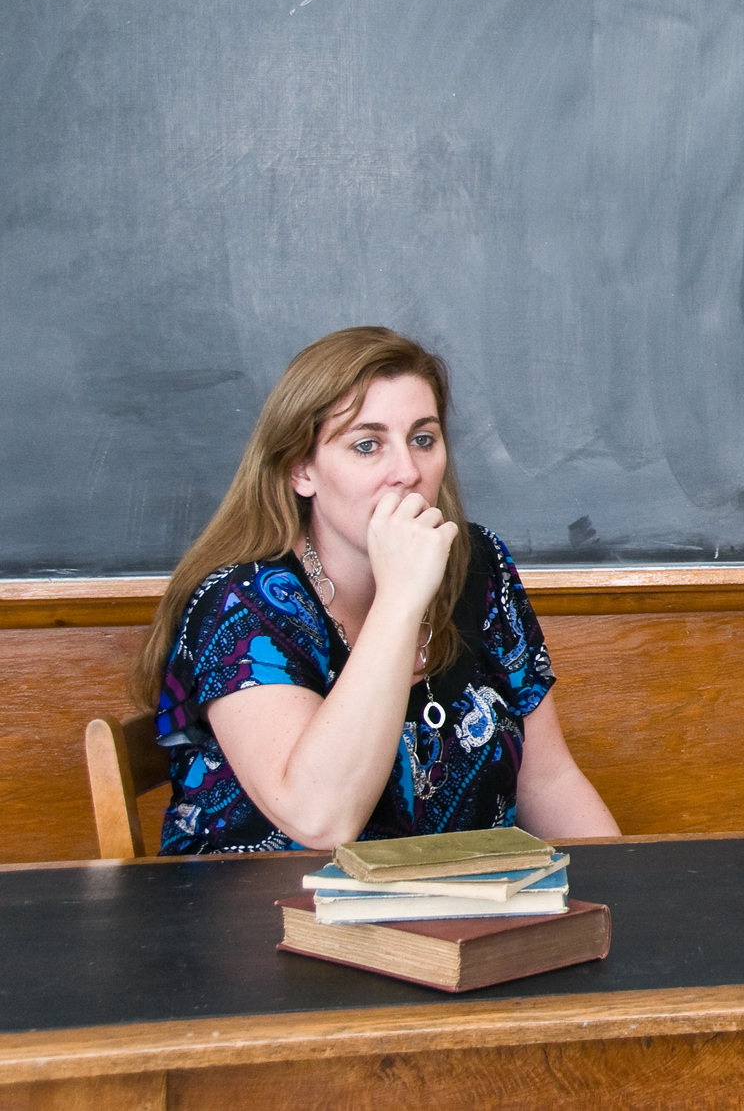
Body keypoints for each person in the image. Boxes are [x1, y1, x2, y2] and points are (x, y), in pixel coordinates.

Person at [130, 327, 620, 853]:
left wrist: (630, 899)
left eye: (423, 439)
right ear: (302, 471)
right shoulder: (242, 603)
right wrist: (401, 599)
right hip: (269, 920)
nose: (407, 471)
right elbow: (320, 821)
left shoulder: (478, 565)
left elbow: (547, 780)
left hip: (452, 917)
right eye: (368, 445)